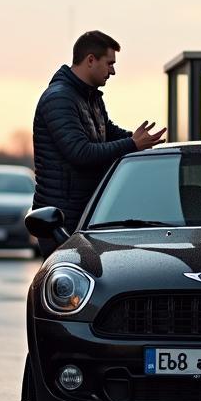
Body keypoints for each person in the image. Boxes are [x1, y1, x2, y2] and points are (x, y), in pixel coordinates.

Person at [32, 30, 166, 253]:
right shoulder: (59, 98)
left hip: (83, 213)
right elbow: (80, 152)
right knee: (68, 283)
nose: (113, 71)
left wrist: (142, 140)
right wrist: (133, 144)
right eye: (110, 63)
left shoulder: (90, 96)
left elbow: (108, 131)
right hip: (60, 221)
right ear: (91, 60)